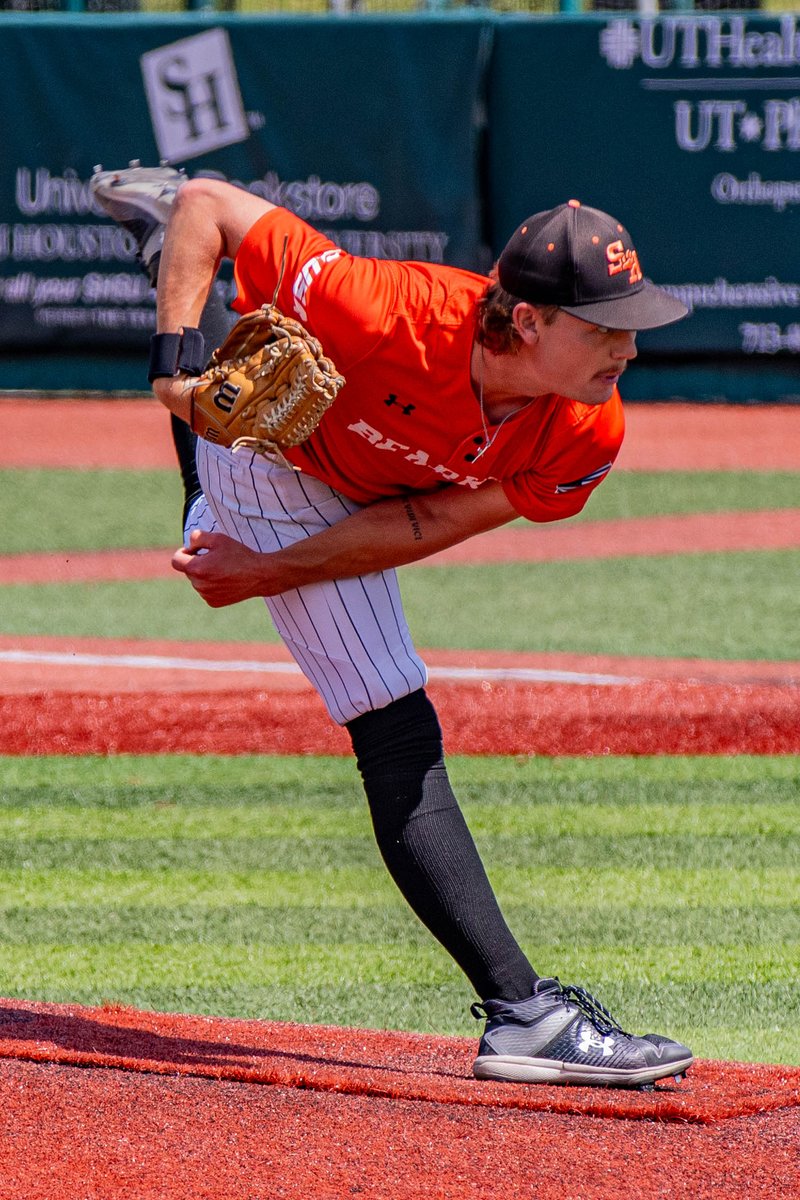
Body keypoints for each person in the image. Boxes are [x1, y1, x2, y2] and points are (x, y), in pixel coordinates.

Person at [91, 164, 692, 1090]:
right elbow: (211, 201)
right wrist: (171, 364)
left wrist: (269, 574)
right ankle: (523, 1017)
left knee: (249, 392)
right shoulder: (384, 308)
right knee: (390, 711)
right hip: (280, 469)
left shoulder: (587, 433)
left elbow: (433, 522)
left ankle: (204, 488)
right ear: (527, 321)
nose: (628, 350)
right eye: (606, 328)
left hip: (369, 490)